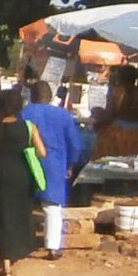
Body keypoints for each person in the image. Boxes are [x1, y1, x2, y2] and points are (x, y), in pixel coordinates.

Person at [0, 89, 47, 276]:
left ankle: (5, 264)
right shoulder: (29, 126)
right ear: (19, 106)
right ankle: (16, 253)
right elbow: (42, 153)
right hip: (22, 177)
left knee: (2, 217)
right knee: (20, 215)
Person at [23, 80, 88, 256]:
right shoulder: (64, 115)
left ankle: (23, 242)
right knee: (52, 206)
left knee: (24, 203)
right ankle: (52, 246)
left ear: (31, 95)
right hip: (55, 164)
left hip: (27, 162)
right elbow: (75, 144)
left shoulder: (24, 113)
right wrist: (71, 164)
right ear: (50, 96)